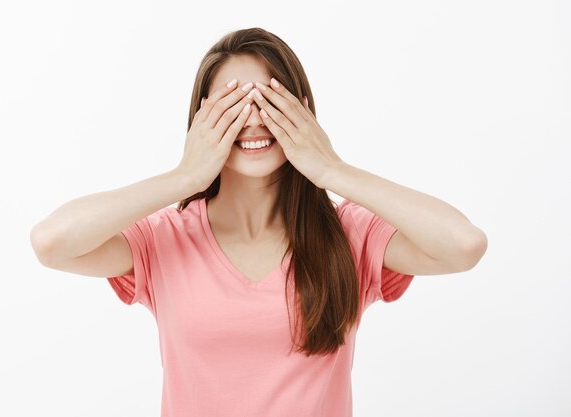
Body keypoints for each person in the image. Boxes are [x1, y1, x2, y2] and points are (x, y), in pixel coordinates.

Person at [30, 27, 487, 417]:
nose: (253, 122)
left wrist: (330, 168)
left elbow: (463, 245)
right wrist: (185, 176)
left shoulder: (351, 235)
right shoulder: (161, 239)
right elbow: (52, 242)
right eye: (232, 105)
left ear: (303, 110)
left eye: (270, 100)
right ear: (201, 118)